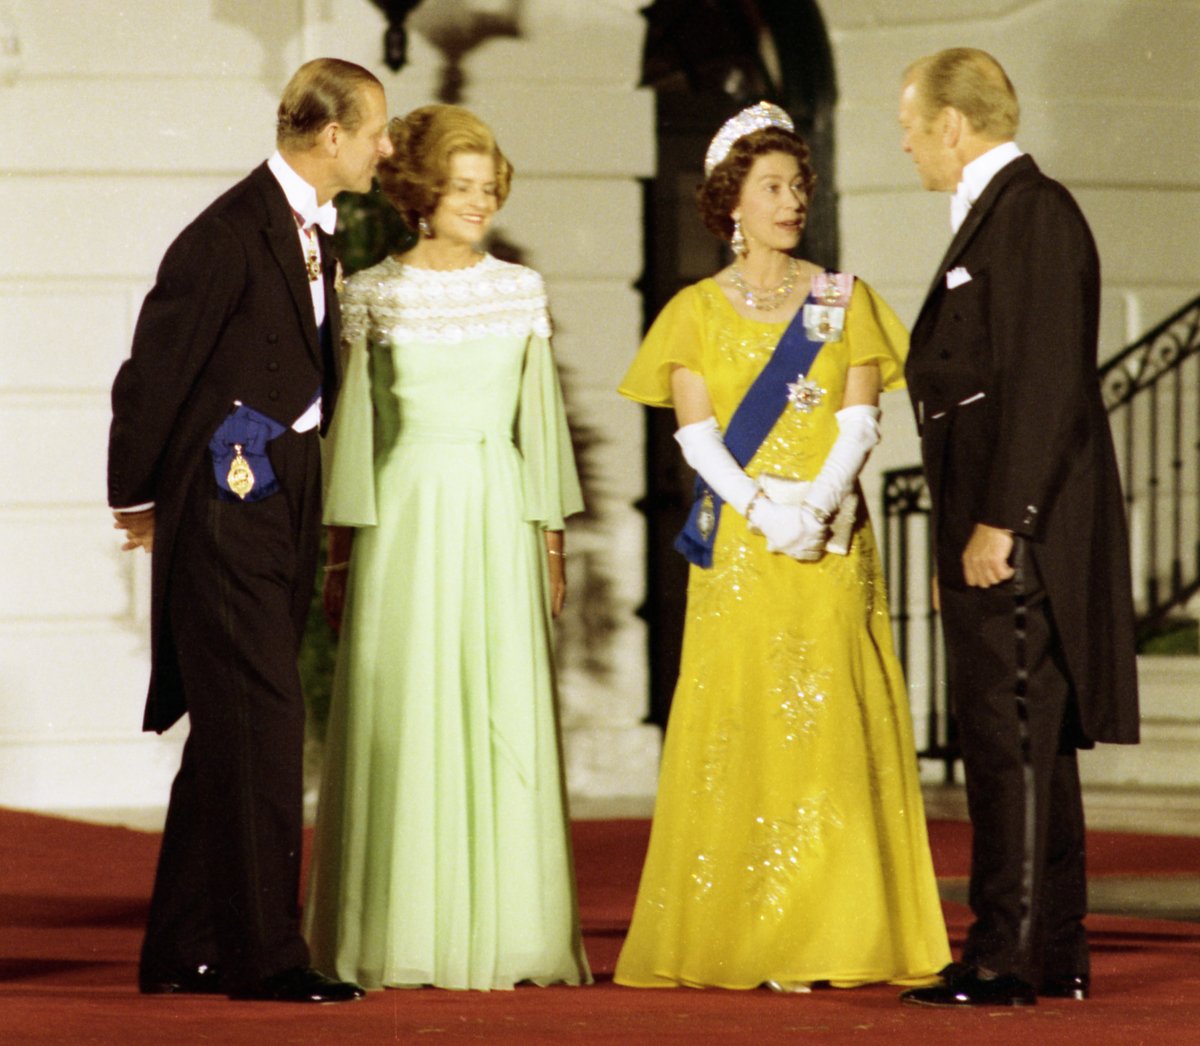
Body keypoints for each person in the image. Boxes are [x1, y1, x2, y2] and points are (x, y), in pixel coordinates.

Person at [614, 102, 950, 991]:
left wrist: (820, 505)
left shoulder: (844, 298)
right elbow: (695, 438)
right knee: (746, 723)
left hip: (832, 540)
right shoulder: (693, 310)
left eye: (799, 185)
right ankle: (749, 935)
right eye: (773, 186)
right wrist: (768, 514)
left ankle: (834, 932)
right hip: (745, 544)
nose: (792, 200)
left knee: (831, 718)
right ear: (733, 201)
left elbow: (861, 417)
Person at [107, 58, 393, 1004]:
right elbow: (151, 373)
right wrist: (137, 499)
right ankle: (265, 958)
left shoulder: (317, 232)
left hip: (281, 507)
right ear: (330, 137)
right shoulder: (227, 235)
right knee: (267, 727)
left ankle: (183, 949)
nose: (386, 148)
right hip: (225, 511)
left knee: (233, 732)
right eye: (376, 131)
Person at [302, 104, 591, 992]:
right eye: (462, 188)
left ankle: (514, 936)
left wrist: (551, 541)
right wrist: (344, 553)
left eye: (488, 187)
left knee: (502, 704)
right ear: (423, 193)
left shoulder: (518, 290)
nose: (480, 202)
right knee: (405, 711)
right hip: (404, 514)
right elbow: (354, 431)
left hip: (500, 508)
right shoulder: (369, 293)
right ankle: (399, 932)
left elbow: (539, 423)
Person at [896, 48, 1139, 1008]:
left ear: (953, 125)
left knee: (1012, 741)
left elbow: (1044, 384)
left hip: (1020, 530)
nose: (906, 143)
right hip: (995, 526)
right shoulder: (1004, 216)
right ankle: (1052, 949)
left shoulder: (1031, 214)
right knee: (1027, 742)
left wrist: (1002, 522)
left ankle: (1004, 958)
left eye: (911, 126)